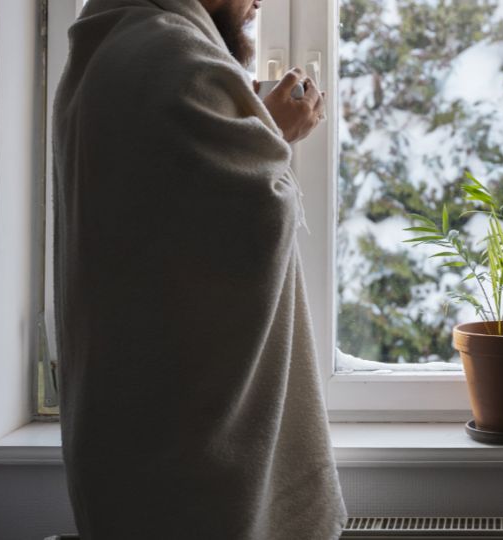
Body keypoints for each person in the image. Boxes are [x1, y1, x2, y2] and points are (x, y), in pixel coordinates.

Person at [51, 0, 346, 538]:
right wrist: (272, 133)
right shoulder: (177, 60)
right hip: (191, 452)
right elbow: (252, 224)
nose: (259, 3)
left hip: (122, 422)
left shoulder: (107, 46)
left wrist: (243, 122)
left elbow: (164, 224)